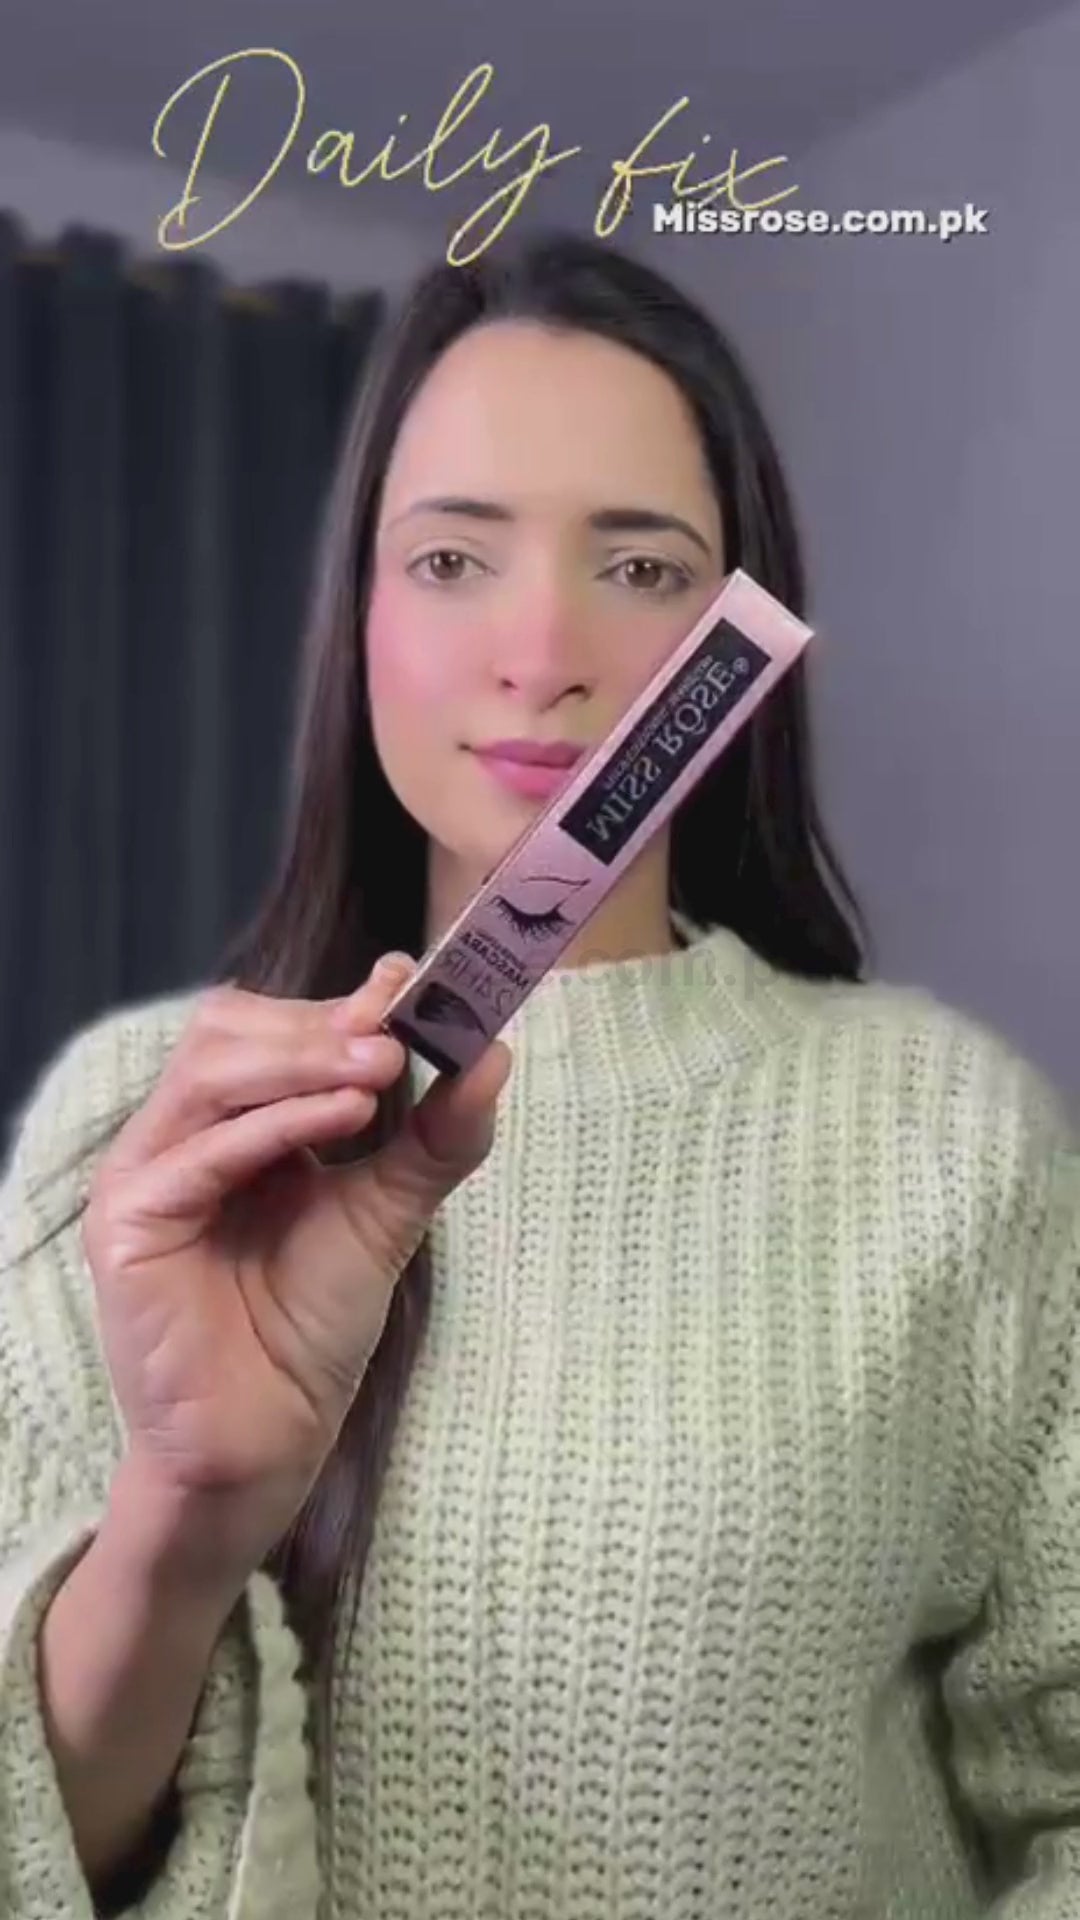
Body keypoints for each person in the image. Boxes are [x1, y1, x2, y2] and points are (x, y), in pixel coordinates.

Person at [0, 227, 1077, 1920]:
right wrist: (184, 1521)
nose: (540, 651)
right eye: (450, 559)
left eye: (640, 567)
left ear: (733, 637)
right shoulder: (138, 1134)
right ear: (357, 615)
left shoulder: (948, 1136)